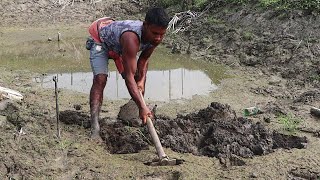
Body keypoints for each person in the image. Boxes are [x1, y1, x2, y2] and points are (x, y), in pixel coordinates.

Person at [86, 7, 170, 139]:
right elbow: (128, 77)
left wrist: (141, 81)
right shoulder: (131, 38)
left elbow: (143, 60)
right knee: (100, 79)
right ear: (145, 25)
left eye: (162, 34)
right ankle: (95, 126)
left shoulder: (156, 37)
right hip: (101, 40)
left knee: (138, 77)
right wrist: (143, 106)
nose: (158, 38)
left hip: (119, 47)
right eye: (155, 33)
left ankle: (136, 112)